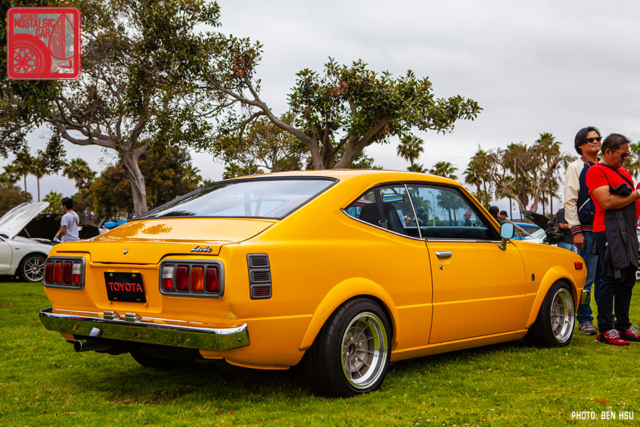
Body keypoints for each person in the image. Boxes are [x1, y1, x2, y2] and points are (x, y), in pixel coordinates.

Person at [586, 133, 640, 345]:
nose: (625, 158)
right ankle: (606, 329)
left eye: (627, 155)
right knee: (609, 278)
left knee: (628, 277)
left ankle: (623, 326)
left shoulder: (624, 171)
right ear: (607, 151)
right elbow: (607, 201)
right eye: (622, 154)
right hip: (607, 229)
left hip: (628, 229)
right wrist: (636, 194)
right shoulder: (596, 171)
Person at [564, 126, 601, 335]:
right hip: (586, 230)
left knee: (606, 279)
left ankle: (606, 319)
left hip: (605, 230)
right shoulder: (576, 167)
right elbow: (570, 201)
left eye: (598, 138)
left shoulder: (604, 166)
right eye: (590, 140)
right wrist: (576, 230)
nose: (596, 142)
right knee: (587, 278)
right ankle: (584, 319)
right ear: (580, 145)